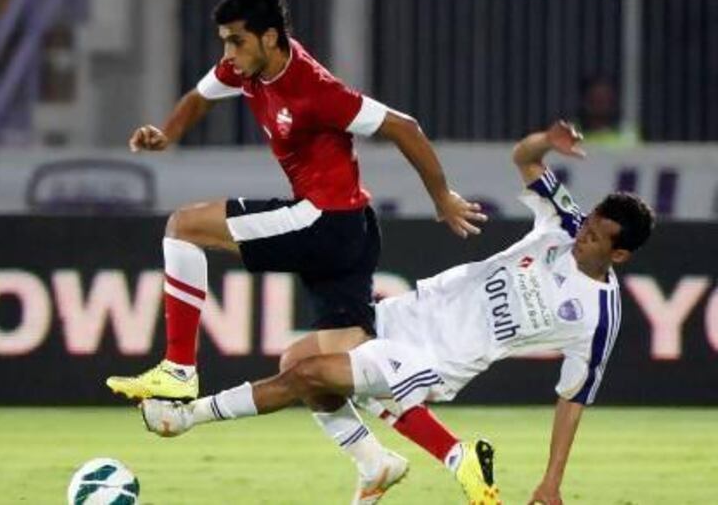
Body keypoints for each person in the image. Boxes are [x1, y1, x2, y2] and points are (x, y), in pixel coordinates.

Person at [138, 121, 655, 505]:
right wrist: (548, 141)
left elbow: (573, 400)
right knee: (296, 358)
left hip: (440, 356)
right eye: (586, 223)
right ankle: (376, 464)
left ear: (620, 255)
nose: (580, 235)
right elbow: (525, 158)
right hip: (406, 314)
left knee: (308, 374)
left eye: (593, 237)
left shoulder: (597, 317)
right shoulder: (563, 222)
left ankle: (186, 417)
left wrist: (551, 482)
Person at [106, 0, 484, 408]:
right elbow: (200, 97)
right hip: (355, 229)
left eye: (237, 41)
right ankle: (413, 459)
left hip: (325, 220)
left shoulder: (315, 91)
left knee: (183, 227)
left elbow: (405, 127)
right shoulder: (245, 68)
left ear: (269, 38)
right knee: (349, 368)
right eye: (225, 42)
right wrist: (168, 133)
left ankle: (178, 370)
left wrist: (442, 198)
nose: (228, 53)